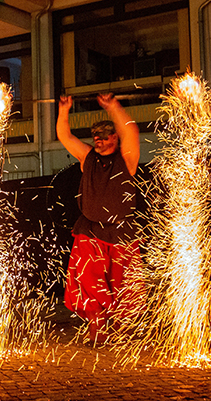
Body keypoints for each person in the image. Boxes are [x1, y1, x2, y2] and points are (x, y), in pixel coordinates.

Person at [56, 93, 142, 343]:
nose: (100, 142)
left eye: (105, 137)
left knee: (126, 284)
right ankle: (98, 326)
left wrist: (113, 106)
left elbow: (132, 131)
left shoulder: (127, 159)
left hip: (121, 233)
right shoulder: (88, 158)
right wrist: (64, 110)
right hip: (90, 231)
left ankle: (124, 329)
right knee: (89, 281)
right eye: (96, 138)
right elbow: (65, 136)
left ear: (114, 137)